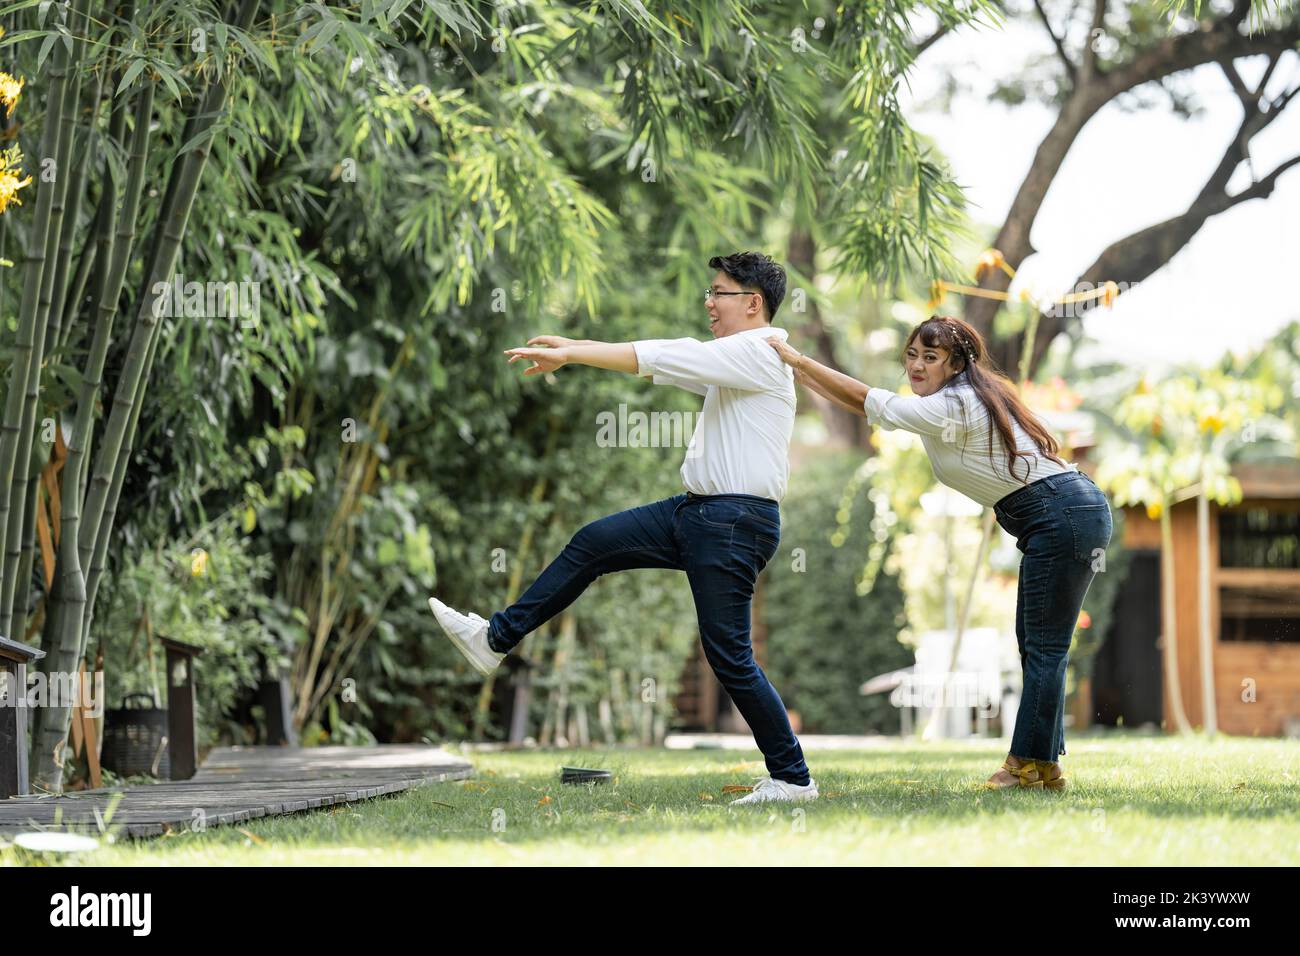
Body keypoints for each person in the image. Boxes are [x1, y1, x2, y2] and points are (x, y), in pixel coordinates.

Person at [429, 252, 817, 805]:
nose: (707, 303)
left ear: (752, 303)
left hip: (733, 521)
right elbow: (673, 362)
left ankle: (793, 778)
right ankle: (495, 638)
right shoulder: (740, 359)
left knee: (729, 655)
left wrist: (572, 351)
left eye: (719, 293)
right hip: (698, 512)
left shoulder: (757, 350)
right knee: (595, 542)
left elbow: (661, 355)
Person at [767, 315, 1112, 790]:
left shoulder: (953, 405)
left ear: (954, 365)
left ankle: (1023, 765)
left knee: (1045, 647)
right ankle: (1044, 765)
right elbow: (869, 405)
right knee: (1037, 645)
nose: (917, 365)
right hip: (1060, 513)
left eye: (931, 357)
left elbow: (871, 403)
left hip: (1063, 513)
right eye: (911, 354)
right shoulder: (959, 398)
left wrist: (800, 362)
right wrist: (800, 371)